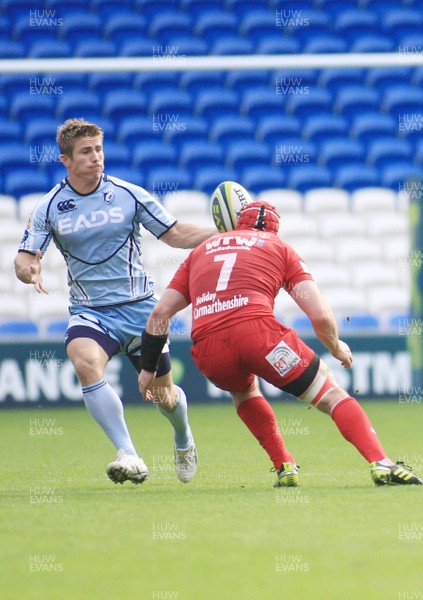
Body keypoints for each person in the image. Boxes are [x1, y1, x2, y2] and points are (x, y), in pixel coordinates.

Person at [138, 201, 423, 487]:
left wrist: (148, 366)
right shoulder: (278, 247)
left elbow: (161, 314)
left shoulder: (200, 251)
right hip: (259, 336)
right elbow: (320, 315)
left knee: (244, 391)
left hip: (209, 349)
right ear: (275, 228)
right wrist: (336, 347)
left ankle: (284, 466)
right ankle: (381, 463)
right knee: (331, 395)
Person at [14, 118, 217, 486]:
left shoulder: (128, 194)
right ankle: (128, 453)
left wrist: (223, 232)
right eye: (86, 152)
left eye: (99, 149)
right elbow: (25, 257)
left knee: (163, 396)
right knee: (86, 362)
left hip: (142, 310)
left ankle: (183, 438)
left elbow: (174, 234)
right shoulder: (50, 206)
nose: (96, 158)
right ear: (66, 160)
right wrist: (30, 270)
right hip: (91, 312)